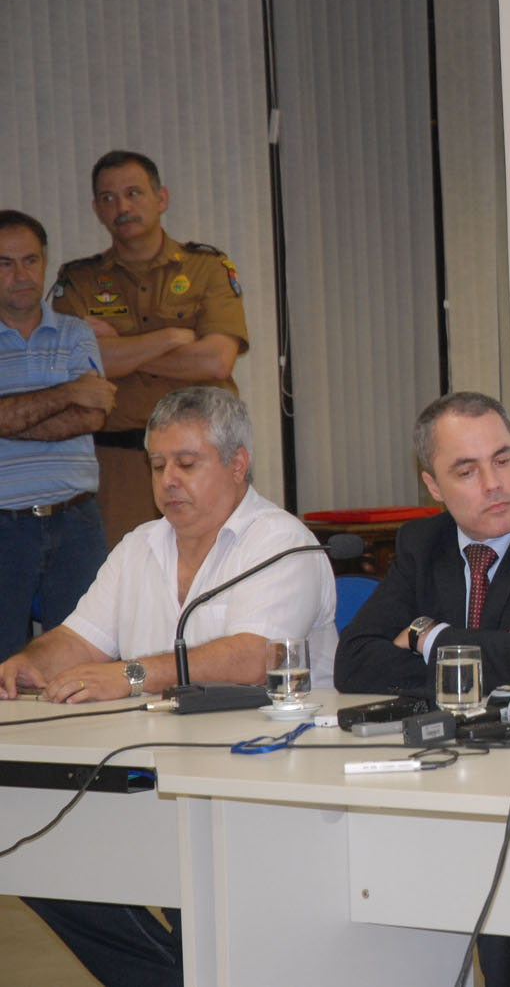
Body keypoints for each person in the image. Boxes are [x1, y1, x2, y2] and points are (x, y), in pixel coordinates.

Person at [0, 385, 337, 987]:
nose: (169, 481)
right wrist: (29, 661)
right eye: (158, 465)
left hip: (268, 781)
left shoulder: (281, 543)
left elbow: (254, 657)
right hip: (155, 773)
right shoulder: (140, 547)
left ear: (238, 464)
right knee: (38, 853)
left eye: (187, 463)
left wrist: (130, 674)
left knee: (200, 915)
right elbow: (79, 638)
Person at [334, 390, 510, 987]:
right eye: (466, 471)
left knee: (497, 857)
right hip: (436, 775)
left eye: (504, 459)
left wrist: (424, 635)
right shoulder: (421, 544)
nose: (494, 483)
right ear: (432, 486)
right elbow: (354, 663)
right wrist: (494, 645)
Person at [51, 150, 249, 546]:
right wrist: (170, 337)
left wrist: (119, 351)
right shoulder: (79, 280)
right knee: (126, 573)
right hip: (117, 465)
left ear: (161, 198)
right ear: (97, 209)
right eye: (108, 198)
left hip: (203, 458)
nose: (122, 207)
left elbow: (216, 361)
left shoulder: (207, 268)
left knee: (217, 566)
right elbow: (80, 364)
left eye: (133, 193)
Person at [0, 211, 114, 659]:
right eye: (5, 263)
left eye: (30, 260)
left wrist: (11, 417)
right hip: (4, 527)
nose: (21, 275)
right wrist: (67, 392)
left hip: (76, 522)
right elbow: (77, 403)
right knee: (4, 662)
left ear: (45, 262)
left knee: (82, 657)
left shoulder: (76, 333)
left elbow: (92, 416)